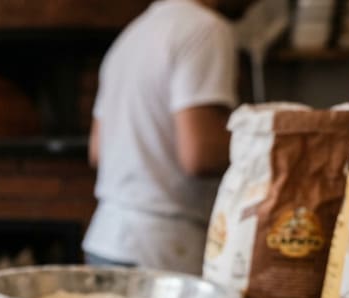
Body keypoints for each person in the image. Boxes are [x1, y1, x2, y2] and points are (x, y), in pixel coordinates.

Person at [84, 0, 254, 273]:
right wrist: (262, 143)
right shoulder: (206, 28)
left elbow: (97, 151)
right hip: (163, 247)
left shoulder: (131, 35)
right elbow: (199, 155)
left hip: (105, 237)